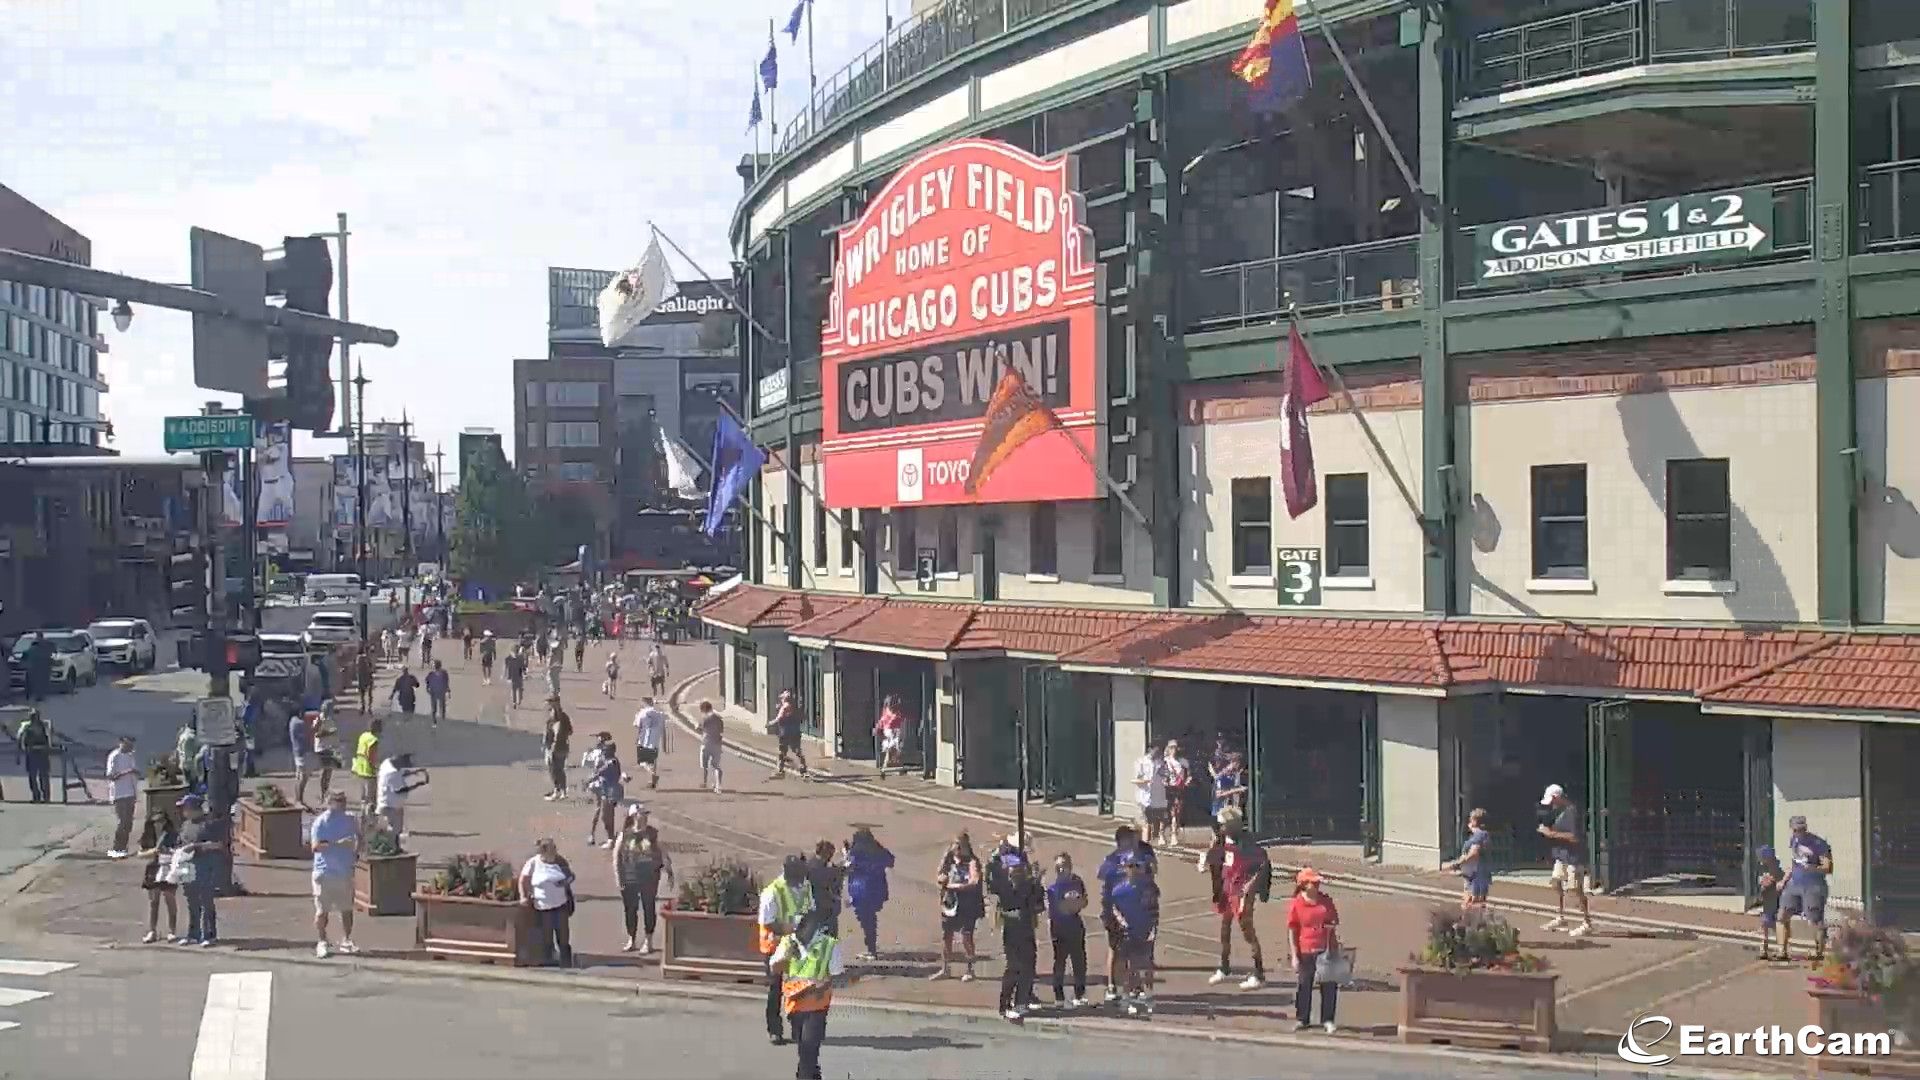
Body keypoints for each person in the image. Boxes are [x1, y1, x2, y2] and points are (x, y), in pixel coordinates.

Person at [769, 908, 846, 1080]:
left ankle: (805, 1074)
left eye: (802, 926)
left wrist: (821, 985)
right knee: (803, 1047)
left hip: (817, 1005)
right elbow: (774, 968)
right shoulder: (789, 943)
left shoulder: (829, 944)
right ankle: (812, 1073)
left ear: (813, 925)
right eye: (797, 927)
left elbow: (837, 975)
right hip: (794, 1006)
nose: (798, 931)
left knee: (809, 1046)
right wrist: (785, 957)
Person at [1203, 806, 1272, 989]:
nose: (1219, 827)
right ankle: (1224, 968)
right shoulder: (1220, 839)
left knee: (1247, 932)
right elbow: (1216, 858)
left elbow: (1262, 865)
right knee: (1224, 930)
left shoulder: (1248, 844)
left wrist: (1251, 886)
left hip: (1240, 892)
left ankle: (1259, 973)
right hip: (1226, 889)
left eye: (1222, 825)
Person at [758, 855, 816, 1046]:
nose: (802, 879)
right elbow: (768, 923)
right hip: (774, 946)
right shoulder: (772, 892)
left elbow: (810, 912)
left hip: (797, 945)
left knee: (798, 988)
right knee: (775, 989)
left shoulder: (805, 886)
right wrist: (789, 930)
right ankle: (774, 1030)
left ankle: (798, 1030)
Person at [1096, 825, 1157, 1003]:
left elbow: (1151, 874)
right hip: (1114, 910)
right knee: (1115, 950)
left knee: (1137, 952)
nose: (1132, 841)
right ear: (1121, 840)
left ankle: (1134, 987)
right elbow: (1103, 880)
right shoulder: (1111, 860)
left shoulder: (1138, 857)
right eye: (1129, 838)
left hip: (1137, 909)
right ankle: (1112, 986)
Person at [1286, 868, 1342, 1032]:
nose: (1317, 884)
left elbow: (1334, 921)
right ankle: (1303, 1019)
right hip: (1305, 949)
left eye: (1318, 882)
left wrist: (1332, 938)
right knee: (1304, 985)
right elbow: (1292, 929)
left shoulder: (1325, 901)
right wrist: (1294, 955)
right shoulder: (1297, 903)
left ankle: (1328, 1019)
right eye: (1313, 882)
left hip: (1325, 947)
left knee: (1329, 985)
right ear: (1304, 884)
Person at [613, 803, 674, 953]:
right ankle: (631, 939)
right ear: (634, 816)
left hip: (649, 877)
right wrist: (618, 877)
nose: (645, 817)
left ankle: (648, 941)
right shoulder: (625, 834)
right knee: (630, 909)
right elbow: (616, 856)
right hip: (630, 876)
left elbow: (663, 853)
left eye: (646, 815)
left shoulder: (653, 834)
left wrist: (669, 871)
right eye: (642, 814)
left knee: (648, 907)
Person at [993, 852, 1046, 1021]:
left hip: (1026, 931)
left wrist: (1037, 884)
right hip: (1012, 933)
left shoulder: (1029, 885)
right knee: (1014, 968)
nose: (1015, 873)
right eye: (1012, 870)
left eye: (1018, 870)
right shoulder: (1004, 887)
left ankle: (1021, 1002)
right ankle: (1005, 1005)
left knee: (1029, 967)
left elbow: (1038, 906)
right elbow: (1002, 909)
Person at [309, 790, 359, 958]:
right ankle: (322, 941)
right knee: (322, 911)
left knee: (346, 910)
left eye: (343, 800)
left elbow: (359, 839)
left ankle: (346, 940)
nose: (343, 803)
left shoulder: (350, 819)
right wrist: (338, 844)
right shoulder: (321, 822)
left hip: (344, 871)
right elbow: (315, 847)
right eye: (338, 801)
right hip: (324, 872)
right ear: (330, 802)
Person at [1538, 784, 1593, 936]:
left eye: (1553, 800)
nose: (1552, 804)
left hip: (1574, 857)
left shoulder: (1572, 812)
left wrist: (1550, 834)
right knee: (1556, 882)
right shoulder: (1559, 812)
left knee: (1575, 889)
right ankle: (1561, 916)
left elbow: (1574, 837)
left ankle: (1586, 921)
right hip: (1562, 856)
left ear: (1558, 797)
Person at [1780, 814, 1834, 963]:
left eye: (1801, 829)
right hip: (1795, 883)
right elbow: (1794, 863)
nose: (1799, 832)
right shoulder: (1794, 841)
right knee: (1782, 915)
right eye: (1796, 829)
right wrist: (1784, 880)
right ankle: (1782, 950)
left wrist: (1812, 868)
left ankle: (1819, 951)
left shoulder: (1818, 843)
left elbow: (1828, 868)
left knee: (1815, 920)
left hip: (1813, 886)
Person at [175, 794, 228, 946]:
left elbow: (218, 844)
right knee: (191, 900)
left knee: (206, 901)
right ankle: (193, 934)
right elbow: (180, 842)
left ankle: (209, 935)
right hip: (187, 865)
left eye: (185, 808)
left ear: (194, 809)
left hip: (205, 865)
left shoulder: (209, 824)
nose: (183, 811)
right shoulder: (185, 825)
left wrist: (197, 846)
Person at [1110, 855, 1160, 1016]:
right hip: (1129, 933)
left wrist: (1153, 929)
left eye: (1136, 866)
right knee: (1130, 967)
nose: (1133, 869)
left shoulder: (1148, 889)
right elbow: (1114, 909)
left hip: (1145, 932)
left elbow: (1154, 911)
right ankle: (1128, 997)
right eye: (1130, 866)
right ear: (1125, 868)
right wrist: (1122, 923)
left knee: (1146, 965)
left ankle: (1148, 995)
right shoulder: (1119, 890)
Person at [931, 832, 984, 982]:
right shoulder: (948, 859)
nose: (958, 849)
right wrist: (941, 879)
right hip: (950, 902)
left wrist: (955, 886)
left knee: (966, 936)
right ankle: (945, 968)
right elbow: (939, 874)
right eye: (956, 845)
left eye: (961, 846)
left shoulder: (973, 862)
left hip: (967, 904)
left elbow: (974, 881)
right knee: (946, 935)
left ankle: (970, 970)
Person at [519, 838, 577, 967]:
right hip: (543, 906)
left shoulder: (560, 861)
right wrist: (523, 896)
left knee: (563, 936)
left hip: (560, 905)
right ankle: (548, 960)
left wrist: (564, 882)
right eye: (552, 848)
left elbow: (571, 876)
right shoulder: (533, 863)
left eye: (555, 848)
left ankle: (566, 961)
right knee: (546, 936)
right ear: (543, 851)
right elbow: (523, 880)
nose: (555, 851)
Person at [843, 828, 894, 960]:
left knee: (867, 921)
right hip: (877, 891)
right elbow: (890, 860)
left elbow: (848, 867)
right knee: (870, 920)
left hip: (862, 893)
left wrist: (846, 855)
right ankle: (871, 948)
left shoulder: (857, 854)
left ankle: (871, 950)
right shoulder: (877, 851)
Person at [1047, 853, 1090, 1007]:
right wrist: (1073, 905)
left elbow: (1084, 900)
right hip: (1059, 927)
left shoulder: (1077, 882)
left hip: (1075, 925)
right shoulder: (1053, 888)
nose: (1061, 869)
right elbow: (1060, 908)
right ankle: (1059, 996)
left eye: (1063, 865)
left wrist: (1076, 904)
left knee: (1079, 961)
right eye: (1058, 866)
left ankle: (1079, 993)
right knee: (1060, 962)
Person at [136, 808, 181, 943]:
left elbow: (179, 850)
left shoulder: (171, 834)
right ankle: (152, 931)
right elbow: (140, 854)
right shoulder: (148, 835)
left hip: (168, 867)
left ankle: (172, 930)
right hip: (153, 867)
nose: (159, 824)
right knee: (153, 901)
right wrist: (153, 852)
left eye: (161, 821)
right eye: (156, 821)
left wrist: (169, 852)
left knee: (169, 899)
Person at [1441, 807, 1493, 911]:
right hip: (1476, 876)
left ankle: (1468, 925)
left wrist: (1457, 864)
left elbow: (1474, 853)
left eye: (1471, 819)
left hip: (1476, 877)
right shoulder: (1481, 835)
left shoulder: (1479, 835)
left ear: (1474, 820)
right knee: (1475, 907)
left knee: (1470, 907)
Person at [376, 753, 429, 838]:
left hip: (385, 804)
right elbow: (400, 790)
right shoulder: (393, 774)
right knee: (395, 831)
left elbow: (401, 773)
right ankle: (394, 848)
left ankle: (392, 846)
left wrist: (414, 772)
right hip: (391, 806)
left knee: (390, 830)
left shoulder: (387, 764)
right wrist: (417, 785)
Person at [1132, 741, 1171, 848]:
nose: (1158, 752)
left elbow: (1166, 775)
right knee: (1146, 824)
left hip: (1158, 797)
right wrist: (1146, 781)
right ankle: (1144, 847)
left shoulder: (1161, 763)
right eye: (1156, 750)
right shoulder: (1141, 762)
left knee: (1159, 820)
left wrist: (1166, 779)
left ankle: (1150, 843)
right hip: (1144, 798)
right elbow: (1135, 779)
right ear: (1150, 749)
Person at [106, 735, 140, 857]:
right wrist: (128, 771)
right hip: (119, 793)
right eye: (128, 744)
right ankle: (117, 847)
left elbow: (134, 772)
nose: (130, 747)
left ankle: (123, 848)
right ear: (121, 743)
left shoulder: (130, 756)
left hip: (131, 792)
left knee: (128, 823)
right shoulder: (114, 756)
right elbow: (110, 776)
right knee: (122, 822)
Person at [586, 740, 624, 848]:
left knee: (607, 816)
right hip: (607, 791)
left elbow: (599, 772)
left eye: (605, 750)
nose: (603, 752)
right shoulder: (610, 761)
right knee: (606, 816)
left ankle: (611, 839)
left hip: (611, 792)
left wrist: (588, 781)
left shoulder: (611, 762)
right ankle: (611, 838)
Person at [808, 840, 847, 938]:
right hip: (823, 908)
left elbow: (834, 870)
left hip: (820, 906)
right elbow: (834, 873)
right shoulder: (817, 867)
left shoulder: (814, 862)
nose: (831, 857)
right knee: (828, 937)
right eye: (830, 854)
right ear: (825, 853)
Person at [1754, 845, 1786, 960]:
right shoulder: (1764, 869)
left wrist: (1769, 883)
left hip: (1775, 902)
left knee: (1777, 925)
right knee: (1764, 925)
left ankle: (1781, 949)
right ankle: (1763, 949)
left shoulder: (1776, 870)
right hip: (1767, 903)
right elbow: (1762, 884)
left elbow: (1776, 883)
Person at [770, 689, 810, 779]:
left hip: (785, 733)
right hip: (795, 732)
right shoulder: (795, 708)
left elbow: (779, 718)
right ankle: (803, 769)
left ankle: (780, 770)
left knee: (782, 752)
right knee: (797, 751)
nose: (781, 699)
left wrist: (769, 723)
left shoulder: (785, 707)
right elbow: (802, 717)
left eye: (782, 698)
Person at [16, 708, 52, 803]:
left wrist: (49, 748)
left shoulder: (44, 725)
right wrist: (20, 750)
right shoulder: (26, 725)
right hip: (32, 752)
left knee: (43, 776)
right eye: (32, 716)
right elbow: (19, 736)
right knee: (33, 776)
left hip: (42, 752)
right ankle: (37, 796)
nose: (34, 718)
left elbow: (49, 736)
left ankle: (46, 796)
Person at [633, 697, 668, 790]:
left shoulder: (642, 713)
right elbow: (664, 730)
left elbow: (638, 727)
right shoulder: (660, 714)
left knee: (642, 762)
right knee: (653, 761)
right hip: (656, 740)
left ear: (644, 703)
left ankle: (653, 775)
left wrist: (637, 738)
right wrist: (664, 744)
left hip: (644, 740)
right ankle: (652, 782)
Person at [542, 699, 573, 801]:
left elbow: (566, 732)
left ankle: (558, 791)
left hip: (556, 747)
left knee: (555, 770)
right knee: (558, 769)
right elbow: (570, 731)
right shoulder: (562, 717)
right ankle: (561, 791)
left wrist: (550, 745)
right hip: (561, 747)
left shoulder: (557, 718)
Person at [351, 718, 383, 815]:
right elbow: (371, 755)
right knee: (371, 798)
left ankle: (362, 816)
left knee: (363, 797)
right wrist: (374, 767)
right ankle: (369, 819)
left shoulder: (363, 736)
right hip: (368, 771)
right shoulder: (374, 740)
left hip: (360, 769)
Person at [1163, 740, 1192, 845]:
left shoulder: (1183, 761)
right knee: (1169, 812)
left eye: (1175, 747)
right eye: (1171, 747)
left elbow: (1189, 775)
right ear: (1168, 748)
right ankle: (1167, 834)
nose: (1173, 750)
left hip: (1179, 789)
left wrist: (1187, 781)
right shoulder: (1165, 761)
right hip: (1167, 789)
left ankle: (1174, 833)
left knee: (1176, 812)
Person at [288, 710, 317, 809]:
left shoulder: (292, 721)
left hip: (297, 752)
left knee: (299, 776)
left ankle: (298, 798)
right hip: (302, 753)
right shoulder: (299, 724)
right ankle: (299, 799)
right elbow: (309, 734)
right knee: (303, 778)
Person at [875, 694, 907, 778]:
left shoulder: (887, 714)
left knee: (894, 751)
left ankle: (889, 768)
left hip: (890, 733)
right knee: (894, 750)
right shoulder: (894, 715)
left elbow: (880, 726)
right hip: (892, 733)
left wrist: (879, 732)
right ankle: (889, 767)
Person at [697, 699, 725, 794]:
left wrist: (699, 728)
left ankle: (704, 782)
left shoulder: (704, 718)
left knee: (704, 765)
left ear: (703, 710)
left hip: (706, 743)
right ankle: (718, 785)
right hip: (717, 743)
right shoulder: (718, 718)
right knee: (716, 766)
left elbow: (699, 728)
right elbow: (721, 730)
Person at [1212, 751, 1247, 818]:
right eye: (1239, 764)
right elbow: (1218, 794)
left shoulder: (1235, 774)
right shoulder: (1222, 775)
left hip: (1231, 811)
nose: (1241, 768)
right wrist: (1237, 790)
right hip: (1220, 812)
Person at [425, 661, 450, 727]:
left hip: (433, 692)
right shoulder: (444, 673)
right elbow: (446, 682)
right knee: (442, 705)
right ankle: (443, 718)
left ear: (435, 666)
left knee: (434, 707)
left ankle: (434, 722)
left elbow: (427, 681)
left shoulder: (431, 674)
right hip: (441, 691)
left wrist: (427, 688)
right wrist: (448, 690)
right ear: (440, 666)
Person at [355, 648, 375, 714]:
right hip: (367, 677)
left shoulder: (358, 659)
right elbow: (372, 668)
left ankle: (363, 707)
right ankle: (369, 707)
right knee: (369, 694)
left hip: (361, 678)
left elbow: (357, 669)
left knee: (362, 694)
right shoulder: (367, 658)